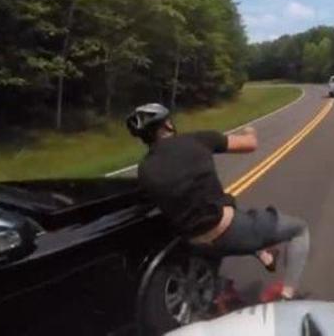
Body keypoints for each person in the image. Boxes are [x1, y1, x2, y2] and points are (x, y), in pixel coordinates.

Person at [128, 103, 310, 301]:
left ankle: (263, 255)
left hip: (195, 243)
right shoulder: (197, 140)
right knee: (299, 230)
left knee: (230, 207)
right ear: (168, 125)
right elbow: (250, 144)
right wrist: (250, 131)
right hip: (229, 231)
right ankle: (287, 295)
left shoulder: (144, 169)